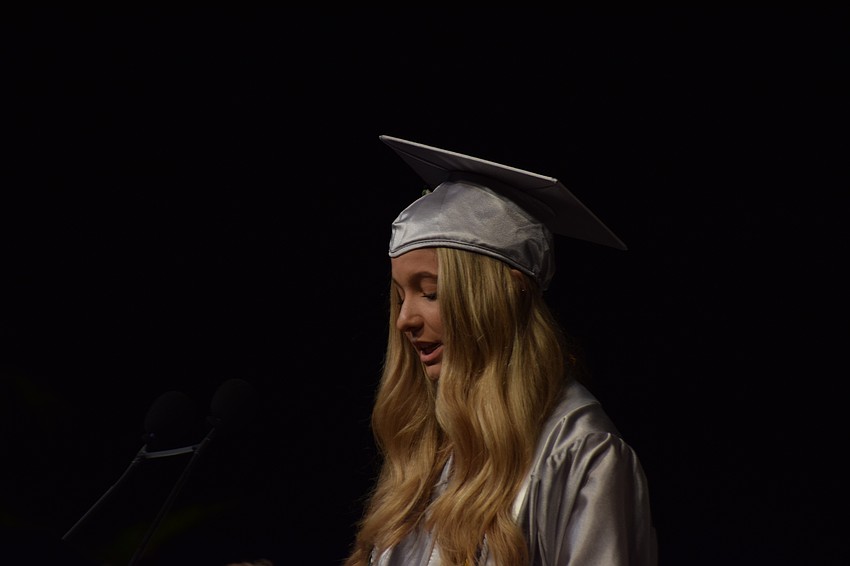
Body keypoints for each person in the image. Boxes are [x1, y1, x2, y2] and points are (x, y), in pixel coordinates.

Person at [344, 135, 657, 566]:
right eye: (401, 296)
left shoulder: (581, 454)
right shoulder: (431, 447)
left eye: (430, 293)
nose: (405, 320)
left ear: (503, 298)